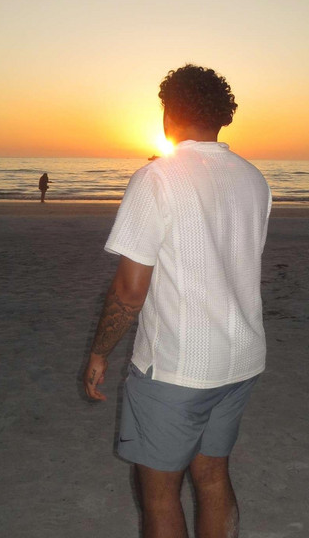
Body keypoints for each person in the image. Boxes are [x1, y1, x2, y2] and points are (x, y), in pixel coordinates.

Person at [83, 64, 271, 538]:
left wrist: (100, 351)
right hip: (241, 359)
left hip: (177, 368)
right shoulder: (254, 179)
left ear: (168, 114)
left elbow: (130, 289)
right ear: (222, 115)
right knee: (212, 474)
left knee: (159, 493)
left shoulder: (157, 178)